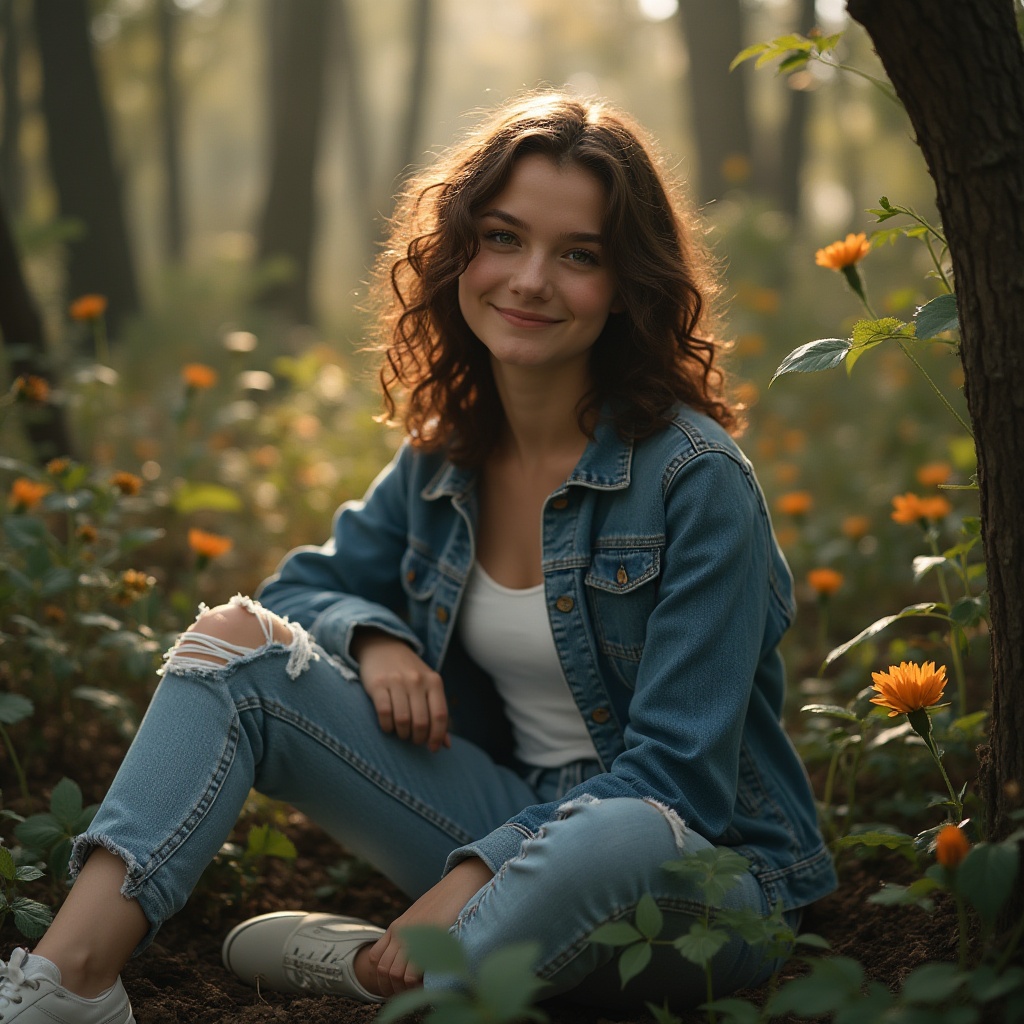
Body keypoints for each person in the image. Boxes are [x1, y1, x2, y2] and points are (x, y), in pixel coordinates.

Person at [0, 91, 836, 1023]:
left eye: (580, 256)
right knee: (236, 646)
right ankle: (66, 983)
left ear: (628, 283)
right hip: (499, 814)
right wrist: (376, 639)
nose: (529, 280)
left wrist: (479, 870)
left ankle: (376, 976)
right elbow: (299, 589)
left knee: (615, 833)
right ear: (459, 251)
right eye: (504, 238)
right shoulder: (446, 456)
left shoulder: (696, 480)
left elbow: (676, 779)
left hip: (699, 871)